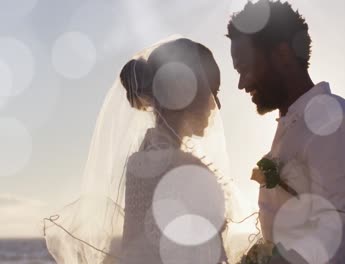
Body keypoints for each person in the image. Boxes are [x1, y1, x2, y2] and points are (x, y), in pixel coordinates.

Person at [44, 37, 257, 264]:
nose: (216, 105)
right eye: (213, 91)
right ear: (186, 92)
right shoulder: (190, 169)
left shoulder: (139, 162)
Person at [227, 1, 345, 263]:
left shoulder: (334, 123)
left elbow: (335, 228)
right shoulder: (293, 126)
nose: (242, 83)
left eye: (246, 69)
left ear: (282, 55)